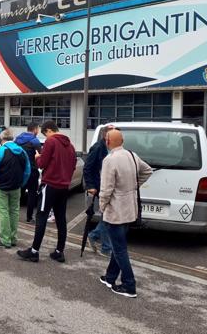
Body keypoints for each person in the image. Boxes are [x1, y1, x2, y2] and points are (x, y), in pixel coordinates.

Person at [98, 129, 152, 298]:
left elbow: (106, 189)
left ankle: (129, 285)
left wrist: (102, 206)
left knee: (120, 249)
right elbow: (148, 170)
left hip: (115, 210)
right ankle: (110, 277)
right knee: (118, 245)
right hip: (130, 208)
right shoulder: (131, 155)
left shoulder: (110, 160)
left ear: (107, 142)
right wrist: (134, 187)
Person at [17, 121, 76, 263]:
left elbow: (42, 163)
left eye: (45, 133)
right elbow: (73, 165)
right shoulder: (71, 146)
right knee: (61, 218)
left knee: (41, 216)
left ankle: (34, 251)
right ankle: (59, 251)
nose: (45, 136)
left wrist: (37, 158)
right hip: (64, 186)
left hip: (50, 185)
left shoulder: (51, 142)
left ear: (49, 130)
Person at [0, 129, 30, 248]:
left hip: (0, 187)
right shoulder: (22, 151)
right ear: (13, 138)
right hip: (16, 187)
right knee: (14, 211)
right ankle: (13, 238)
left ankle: (5, 239)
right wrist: (21, 184)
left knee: (3, 212)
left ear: (1, 139)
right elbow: (27, 171)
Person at [84, 125, 116, 256]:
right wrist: (91, 186)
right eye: (112, 134)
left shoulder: (111, 148)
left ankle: (94, 235)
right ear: (105, 136)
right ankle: (106, 247)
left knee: (107, 215)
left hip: (109, 186)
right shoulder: (98, 148)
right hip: (100, 186)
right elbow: (88, 168)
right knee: (107, 215)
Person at [15, 123, 42, 223]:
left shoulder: (17, 139)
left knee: (18, 194)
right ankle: (29, 217)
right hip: (32, 170)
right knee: (31, 194)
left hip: (20, 170)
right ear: (35, 129)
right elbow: (41, 153)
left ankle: (15, 216)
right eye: (38, 129)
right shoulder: (35, 141)